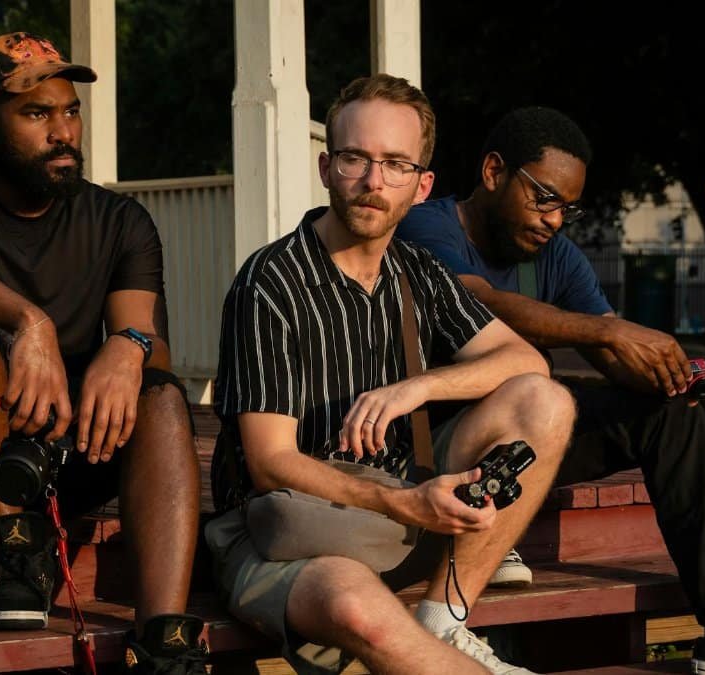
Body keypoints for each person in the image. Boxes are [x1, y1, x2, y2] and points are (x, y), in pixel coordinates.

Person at [396, 106, 705, 674]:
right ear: (494, 172)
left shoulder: (555, 257)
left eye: (567, 208)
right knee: (532, 386)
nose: (555, 221)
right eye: (544, 198)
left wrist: (687, 375)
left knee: (670, 413)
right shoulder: (426, 227)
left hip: (527, 452)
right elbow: (471, 300)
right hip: (434, 451)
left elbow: (617, 361)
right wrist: (608, 328)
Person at [206, 74, 576, 675]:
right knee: (356, 609)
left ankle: (444, 621)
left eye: (397, 164)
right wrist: (405, 503)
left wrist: (418, 387)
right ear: (326, 168)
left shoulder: (418, 272)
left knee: (545, 401)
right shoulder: (271, 281)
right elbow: (269, 462)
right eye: (356, 158)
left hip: (398, 513)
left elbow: (525, 360)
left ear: (421, 184)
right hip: (286, 533)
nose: (374, 182)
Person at [0, 32, 207, 674]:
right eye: (35, 113)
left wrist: (129, 346)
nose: (62, 131)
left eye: (69, 111)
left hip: (77, 453)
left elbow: (146, 330)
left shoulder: (119, 221)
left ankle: (164, 640)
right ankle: (16, 540)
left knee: (161, 391)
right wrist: (29, 322)